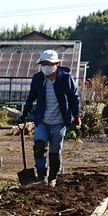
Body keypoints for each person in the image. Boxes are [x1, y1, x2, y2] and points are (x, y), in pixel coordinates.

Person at [18, 50, 81, 186]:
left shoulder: (65, 78)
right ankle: (42, 176)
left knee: (54, 151)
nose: (46, 66)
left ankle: (52, 177)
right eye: (43, 63)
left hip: (60, 121)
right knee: (39, 147)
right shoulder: (38, 79)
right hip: (42, 120)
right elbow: (31, 98)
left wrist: (76, 115)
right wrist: (24, 114)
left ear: (56, 64)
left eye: (49, 63)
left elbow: (74, 97)